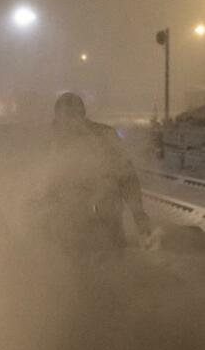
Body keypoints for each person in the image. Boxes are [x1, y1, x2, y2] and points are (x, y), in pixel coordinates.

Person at [47, 92, 151, 252]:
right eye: (68, 115)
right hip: (67, 230)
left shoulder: (104, 137)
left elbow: (127, 178)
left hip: (104, 225)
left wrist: (140, 219)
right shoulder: (48, 141)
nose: (72, 121)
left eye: (74, 114)